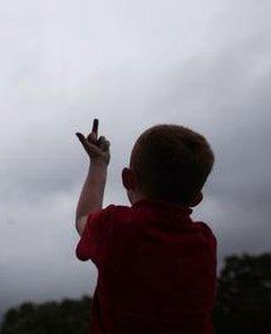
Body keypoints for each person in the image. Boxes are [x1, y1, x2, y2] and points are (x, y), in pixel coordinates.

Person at [74, 119, 217, 333]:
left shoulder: (117, 227)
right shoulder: (205, 241)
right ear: (196, 199)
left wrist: (98, 163)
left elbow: (83, 218)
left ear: (128, 179)